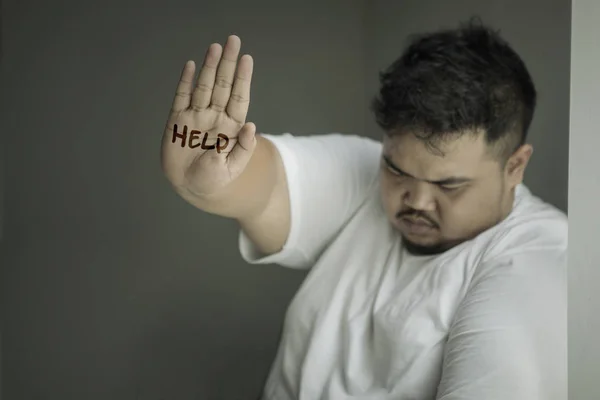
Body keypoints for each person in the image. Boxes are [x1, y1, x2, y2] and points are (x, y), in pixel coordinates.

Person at [160, 19, 567, 400]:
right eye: (397, 169)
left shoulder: (539, 257)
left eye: (448, 185)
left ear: (515, 166)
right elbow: (262, 186)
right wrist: (210, 181)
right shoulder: (366, 174)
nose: (417, 201)